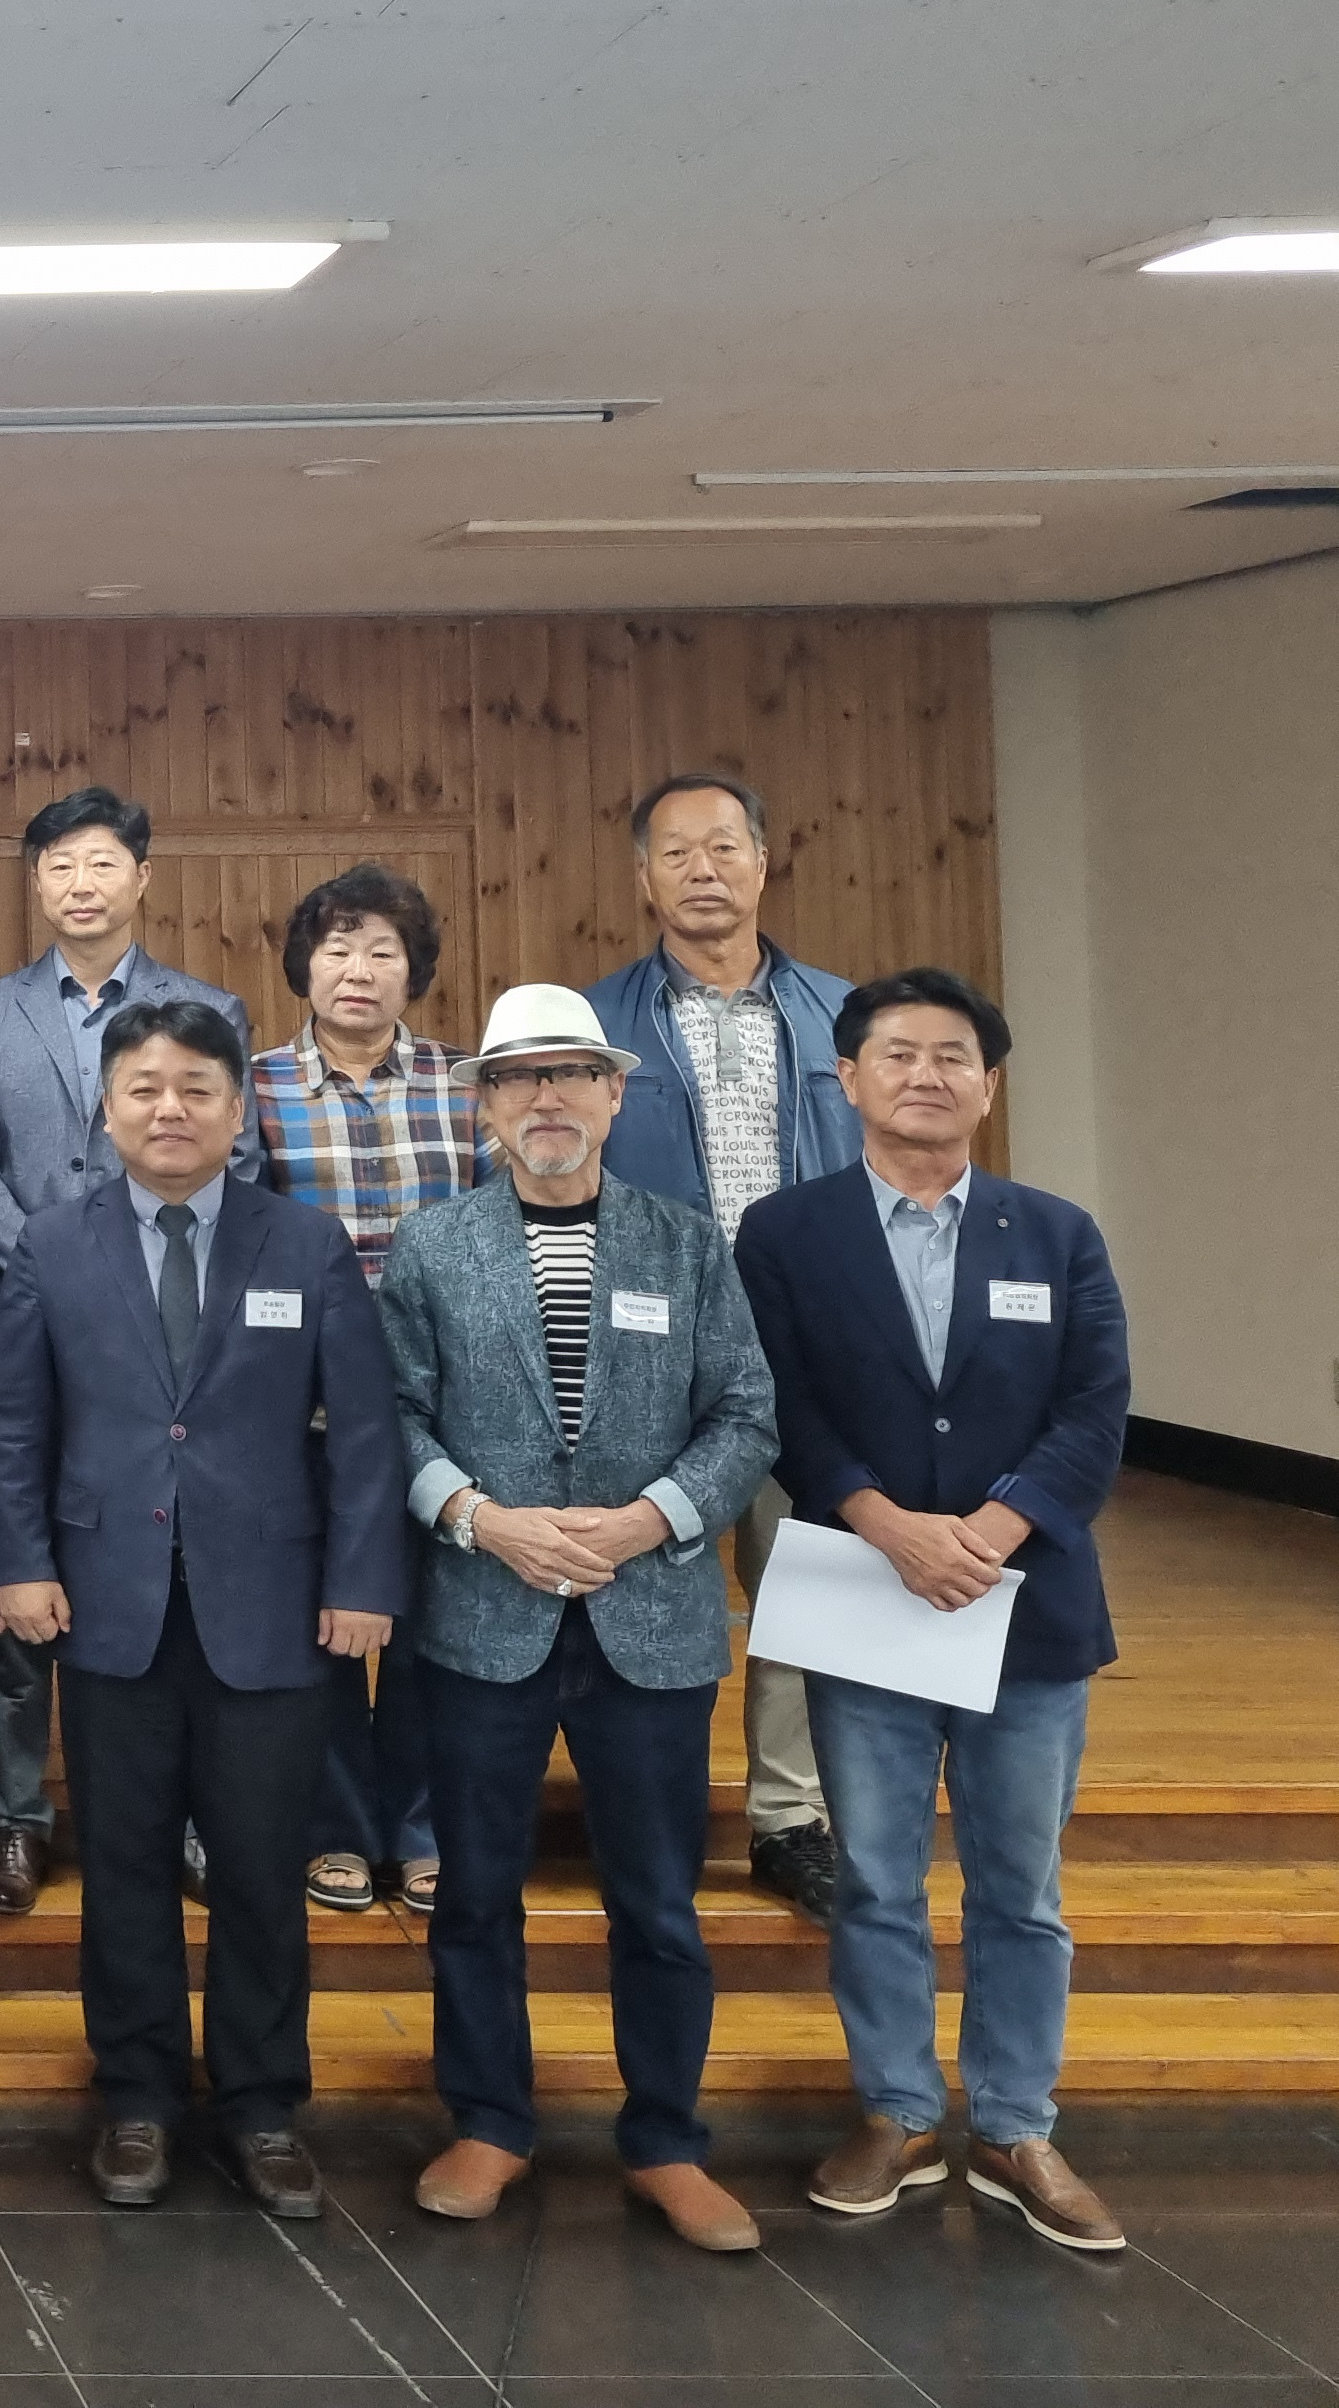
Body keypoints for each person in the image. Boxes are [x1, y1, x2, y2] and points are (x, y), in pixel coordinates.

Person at [0, 1000, 404, 2218]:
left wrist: (361, 1581)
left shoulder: (306, 1244)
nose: (170, 1110)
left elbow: (363, 1430)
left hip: (274, 1611)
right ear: (107, 1109)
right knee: (121, 1868)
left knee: (262, 1870)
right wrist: (20, 1562)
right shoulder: (53, 1244)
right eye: (144, 1089)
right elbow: (13, 1424)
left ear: (237, 1107)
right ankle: (137, 2100)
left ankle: (263, 2108)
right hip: (104, 1606)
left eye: (196, 1089)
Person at [735, 970, 1132, 2253]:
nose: (926, 1074)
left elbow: (1095, 1411)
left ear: (989, 1085)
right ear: (847, 1079)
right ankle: (898, 2112)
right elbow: (778, 1401)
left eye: (953, 1055)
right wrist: (886, 1522)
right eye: (897, 1053)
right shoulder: (784, 1234)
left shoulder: (1057, 1233)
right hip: (867, 1595)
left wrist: (994, 1531)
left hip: (1026, 1608)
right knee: (876, 1883)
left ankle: (1016, 2125)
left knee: (1023, 1888)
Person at [382, 982, 777, 2254]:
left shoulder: (688, 1244)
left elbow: (746, 1414)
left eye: (570, 1073)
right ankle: (490, 2123)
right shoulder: (433, 1246)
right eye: (517, 1077)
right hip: (480, 1617)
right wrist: (481, 1520)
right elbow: (395, 1417)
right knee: (474, 1896)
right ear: (485, 1105)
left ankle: (666, 2141)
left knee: (657, 1903)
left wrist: (650, 1520)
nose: (545, 1097)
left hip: (648, 1619)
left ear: (614, 1093)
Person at [0, 784, 253, 1919]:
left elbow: (237, 1156)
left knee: (167, 1558)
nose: (81, 883)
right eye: (60, 866)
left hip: (173, 1316)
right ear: (36, 884)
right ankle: (14, 1819)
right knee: (17, 1544)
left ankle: (182, 1820)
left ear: (142, 877)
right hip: (25, 1309)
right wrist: (56, 1256)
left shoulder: (209, 1006)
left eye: (102, 863)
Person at [586, 770, 862, 1927]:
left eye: (724, 847)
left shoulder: (846, 1017)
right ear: (642, 877)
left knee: (809, 1584)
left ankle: (791, 1819)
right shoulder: (596, 1024)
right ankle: (652, 1813)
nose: (703, 870)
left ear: (763, 860)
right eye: (676, 852)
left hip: (813, 1344)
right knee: (655, 1588)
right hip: (652, 1352)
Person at [249, 863, 473, 1918]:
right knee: (321, 1627)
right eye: (338, 947)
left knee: (432, 1629)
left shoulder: (464, 1084)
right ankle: (335, 1826)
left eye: (383, 950)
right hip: (301, 1408)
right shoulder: (256, 1087)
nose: (358, 969)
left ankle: (421, 1829)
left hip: (443, 1406)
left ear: (411, 970)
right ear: (304, 965)